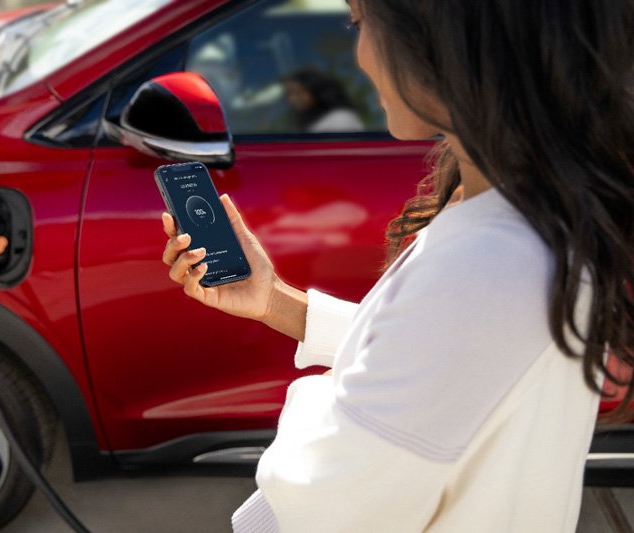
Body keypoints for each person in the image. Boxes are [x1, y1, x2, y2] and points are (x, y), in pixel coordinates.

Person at [160, 0, 634, 530]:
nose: (358, 55)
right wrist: (276, 302)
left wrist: (319, 397)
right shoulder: (537, 216)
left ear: (445, 40)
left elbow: (331, 498)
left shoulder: (486, 265)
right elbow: (443, 364)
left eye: (359, 23)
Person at [281, 68, 365, 133]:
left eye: (298, 92)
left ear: (314, 89)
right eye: (289, 94)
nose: (292, 99)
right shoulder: (303, 125)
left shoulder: (340, 118)